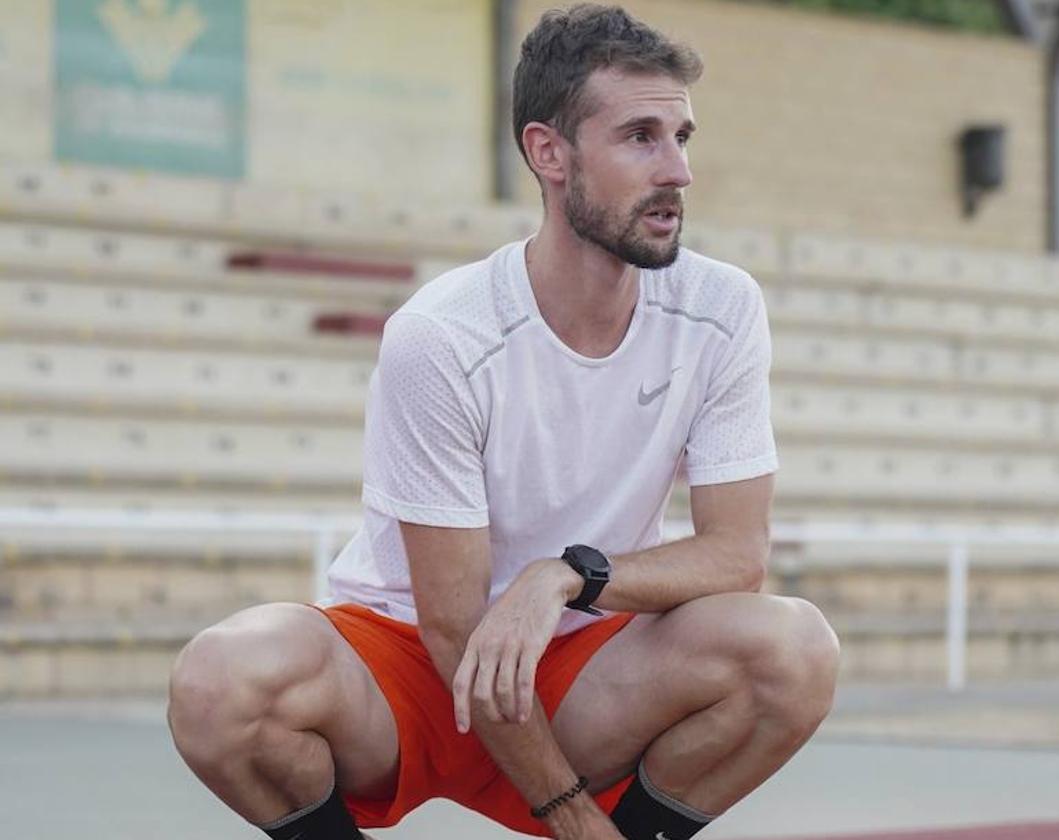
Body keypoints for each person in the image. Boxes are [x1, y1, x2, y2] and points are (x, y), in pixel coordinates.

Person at [166, 4, 839, 839]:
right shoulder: (444, 333)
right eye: (640, 136)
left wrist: (565, 575)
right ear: (548, 154)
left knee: (792, 651)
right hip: (406, 669)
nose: (678, 172)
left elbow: (736, 556)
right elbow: (452, 627)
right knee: (219, 683)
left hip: (581, 670)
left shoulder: (721, 306)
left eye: (682, 137)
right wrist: (571, 817)